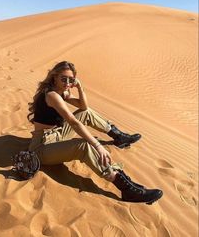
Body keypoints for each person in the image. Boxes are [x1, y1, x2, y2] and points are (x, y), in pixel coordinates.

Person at [27, 61, 163, 204]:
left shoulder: (62, 91)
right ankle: (124, 186)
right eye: (64, 78)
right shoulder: (52, 95)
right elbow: (73, 122)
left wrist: (79, 87)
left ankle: (118, 136)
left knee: (86, 113)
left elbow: (84, 107)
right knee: (83, 146)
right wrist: (97, 145)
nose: (67, 82)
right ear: (55, 77)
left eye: (71, 80)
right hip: (41, 148)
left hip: (58, 135)